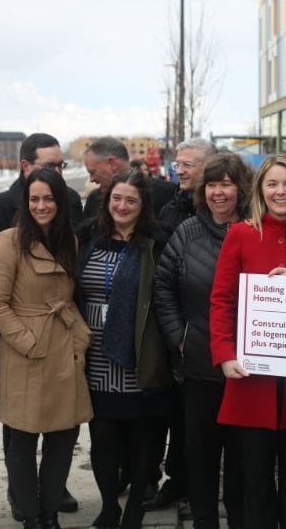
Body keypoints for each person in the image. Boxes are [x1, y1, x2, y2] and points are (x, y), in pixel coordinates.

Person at [210, 154, 286, 529]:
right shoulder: (242, 234)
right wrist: (224, 354)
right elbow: (221, 299)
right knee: (255, 480)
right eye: (272, 184)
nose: (281, 192)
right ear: (260, 190)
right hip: (252, 378)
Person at [0, 169, 93, 529]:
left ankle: (50, 514)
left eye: (49, 198)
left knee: (64, 435)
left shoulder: (69, 242)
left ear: (60, 201)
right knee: (23, 439)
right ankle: (31, 516)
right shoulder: (8, 241)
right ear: (25, 202)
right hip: (25, 352)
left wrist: (81, 336)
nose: (41, 205)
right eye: (34, 199)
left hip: (65, 346)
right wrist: (28, 342)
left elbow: (68, 297)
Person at [154, 152, 252, 529]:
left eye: (226, 184)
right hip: (198, 363)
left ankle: (240, 519)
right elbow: (164, 287)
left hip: (245, 366)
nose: (218, 193)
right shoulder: (188, 232)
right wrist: (179, 336)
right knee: (201, 455)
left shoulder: (253, 230)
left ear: (240, 188)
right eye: (211, 184)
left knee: (242, 456)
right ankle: (205, 521)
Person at [76, 170, 171, 529]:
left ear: (142, 205)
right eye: (117, 198)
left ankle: (134, 508)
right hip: (95, 353)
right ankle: (108, 507)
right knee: (102, 435)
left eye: (131, 199)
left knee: (142, 434)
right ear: (107, 200)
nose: (122, 205)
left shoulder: (156, 242)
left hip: (140, 351)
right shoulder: (88, 237)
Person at [0, 133, 84, 241]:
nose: (57, 172)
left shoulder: (71, 198)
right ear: (25, 166)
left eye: (60, 165)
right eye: (49, 166)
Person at [83, 137, 174, 219]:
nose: (91, 179)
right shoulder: (94, 200)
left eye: (92, 172)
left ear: (112, 165)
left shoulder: (166, 193)